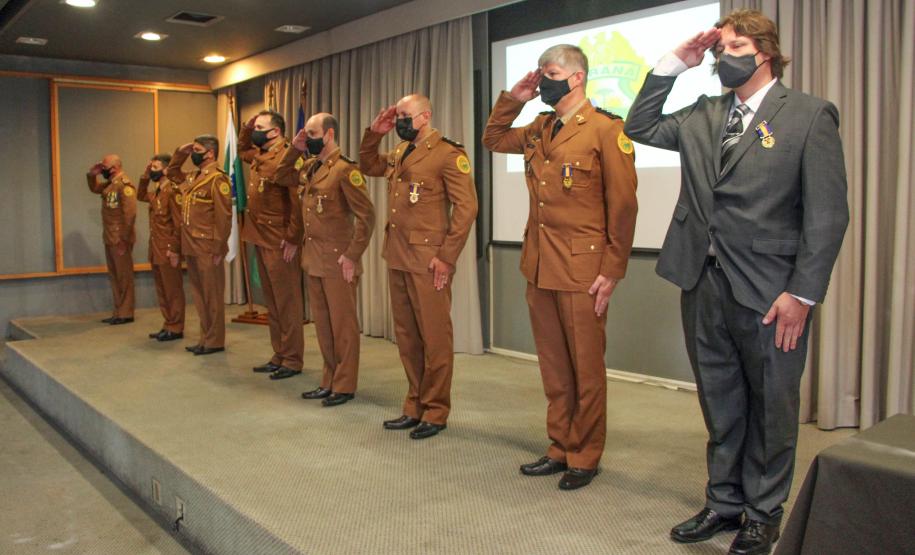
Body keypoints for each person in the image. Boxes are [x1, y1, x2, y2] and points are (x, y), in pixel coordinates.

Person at [624, 10, 848, 554]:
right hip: (702, 280)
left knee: (772, 406)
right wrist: (673, 64)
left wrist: (802, 294)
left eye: (735, 46)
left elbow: (827, 215)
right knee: (720, 401)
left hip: (773, 292)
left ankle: (763, 513)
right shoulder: (703, 112)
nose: (724, 55)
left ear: (764, 52)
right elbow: (639, 126)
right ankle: (724, 501)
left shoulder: (809, 116)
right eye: (720, 47)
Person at [482, 44, 638, 490]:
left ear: (576, 78)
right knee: (554, 365)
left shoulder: (606, 130)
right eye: (539, 72)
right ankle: (560, 444)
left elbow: (623, 206)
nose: (542, 79)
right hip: (540, 264)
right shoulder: (538, 126)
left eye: (549, 73)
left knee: (585, 367)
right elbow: (492, 140)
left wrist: (612, 270)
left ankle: (585, 454)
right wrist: (513, 98)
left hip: (584, 270)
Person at [360, 94, 478, 439]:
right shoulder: (400, 152)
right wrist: (374, 134)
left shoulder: (448, 154)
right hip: (397, 255)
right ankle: (414, 404)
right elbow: (368, 166)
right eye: (397, 116)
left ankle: (436, 410)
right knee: (408, 337)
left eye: (405, 116)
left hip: (429, 261)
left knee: (435, 338)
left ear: (425, 116)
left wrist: (447, 256)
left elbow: (466, 209)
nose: (400, 122)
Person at [275, 112, 375, 406]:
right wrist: (294, 147)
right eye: (305, 135)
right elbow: (281, 176)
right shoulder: (309, 167)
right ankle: (329, 378)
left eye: (312, 134)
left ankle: (344, 385)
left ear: (329, 135)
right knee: (323, 324)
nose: (308, 140)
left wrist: (352, 256)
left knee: (343, 326)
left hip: (338, 260)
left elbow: (366, 216)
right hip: (314, 259)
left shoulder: (345, 170)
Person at [238, 110, 305, 380]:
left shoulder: (289, 158)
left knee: (287, 303)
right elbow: (243, 147)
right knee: (273, 303)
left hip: (279, 241)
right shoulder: (260, 154)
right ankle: (279, 353)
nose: (255, 131)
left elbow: (297, 203)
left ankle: (292, 359)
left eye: (260, 127)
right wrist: (248, 125)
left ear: (275, 132)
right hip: (259, 237)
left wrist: (292, 238)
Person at [165, 135, 234, 356]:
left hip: (207, 246)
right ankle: (205, 337)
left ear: (210, 153)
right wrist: (181, 153)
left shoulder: (217, 179)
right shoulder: (194, 177)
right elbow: (172, 174)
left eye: (197, 150)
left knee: (212, 295)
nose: (194, 153)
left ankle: (214, 341)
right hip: (191, 245)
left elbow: (224, 218)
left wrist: (219, 247)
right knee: (199, 295)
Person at [137, 153, 184, 341]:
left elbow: (178, 223)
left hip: (167, 248)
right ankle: (168, 323)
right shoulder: (157, 190)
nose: (152, 171)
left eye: (155, 168)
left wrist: (174, 249)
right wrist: (145, 176)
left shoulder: (173, 191)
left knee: (172, 290)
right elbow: (140, 195)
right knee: (162, 289)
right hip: (155, 247)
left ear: (166, 169)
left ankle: (177, 326)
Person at [86, 154, 136, 325]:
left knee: (124, 276)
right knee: (115, 276)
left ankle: (126, 312)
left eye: (104, 167)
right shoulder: (111, 184)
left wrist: (124, 239)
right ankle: (118, 310)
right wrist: (92, 174)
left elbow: (130, 215)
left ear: (114, 167)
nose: (103, 169)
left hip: (120, 238)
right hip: (110, 236)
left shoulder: (124, 185)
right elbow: (94, 188)